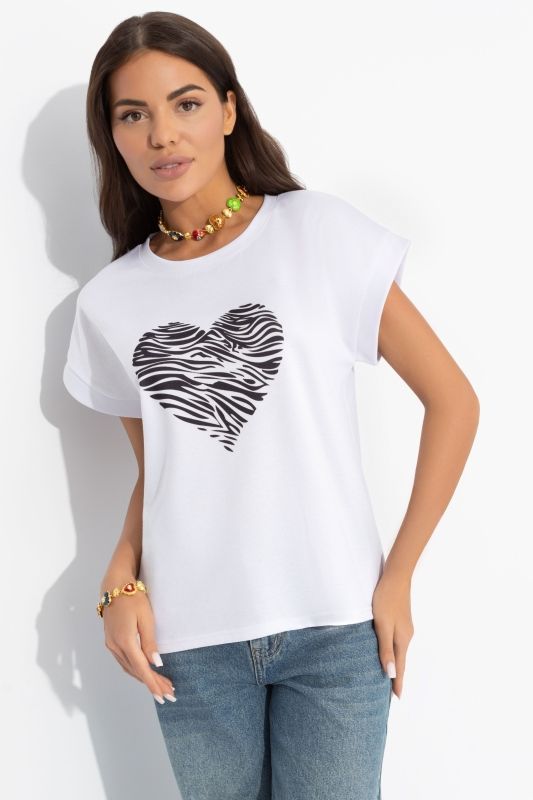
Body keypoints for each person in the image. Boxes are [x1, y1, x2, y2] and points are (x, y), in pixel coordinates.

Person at [62, 11, 480, 800]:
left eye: (185, 104)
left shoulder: (316, 232)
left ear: (228, 110)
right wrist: (120, 585)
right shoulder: (110, 302)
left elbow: (453, 401)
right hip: (189, 641)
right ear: (111, 136)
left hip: (335, 628)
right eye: (132, 115)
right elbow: (163, 471)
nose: (161, 135)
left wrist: (397, 576)